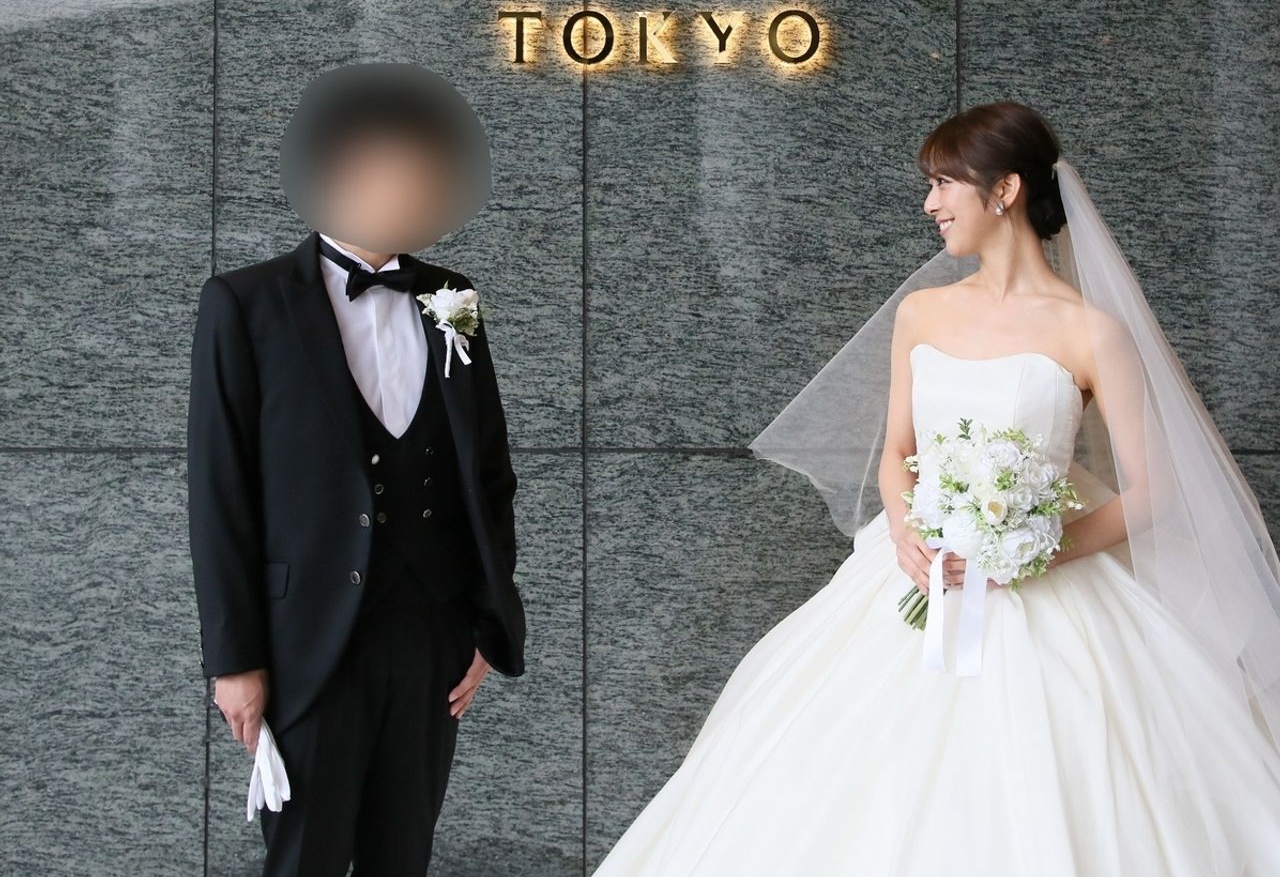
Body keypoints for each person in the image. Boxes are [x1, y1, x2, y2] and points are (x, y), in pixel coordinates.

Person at [590, 100, 1280, 875]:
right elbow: (898, 454)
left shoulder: (1092, 332)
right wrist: (904, 527)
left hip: (1048, 589)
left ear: (1005, 190)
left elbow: (1154, 492)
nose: (930, 204)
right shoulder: (922, 314)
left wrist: (1027, 554)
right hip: (916, 573)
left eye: (945, 183)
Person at [186, 61, 526, 876]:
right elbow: (220, 494)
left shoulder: (453, 299)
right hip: (308, 642)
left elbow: (488, 470)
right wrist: (234, 661)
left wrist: (488, 621)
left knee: (402, 855)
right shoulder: (245, 303)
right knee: (305, 858)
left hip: (433, 633)